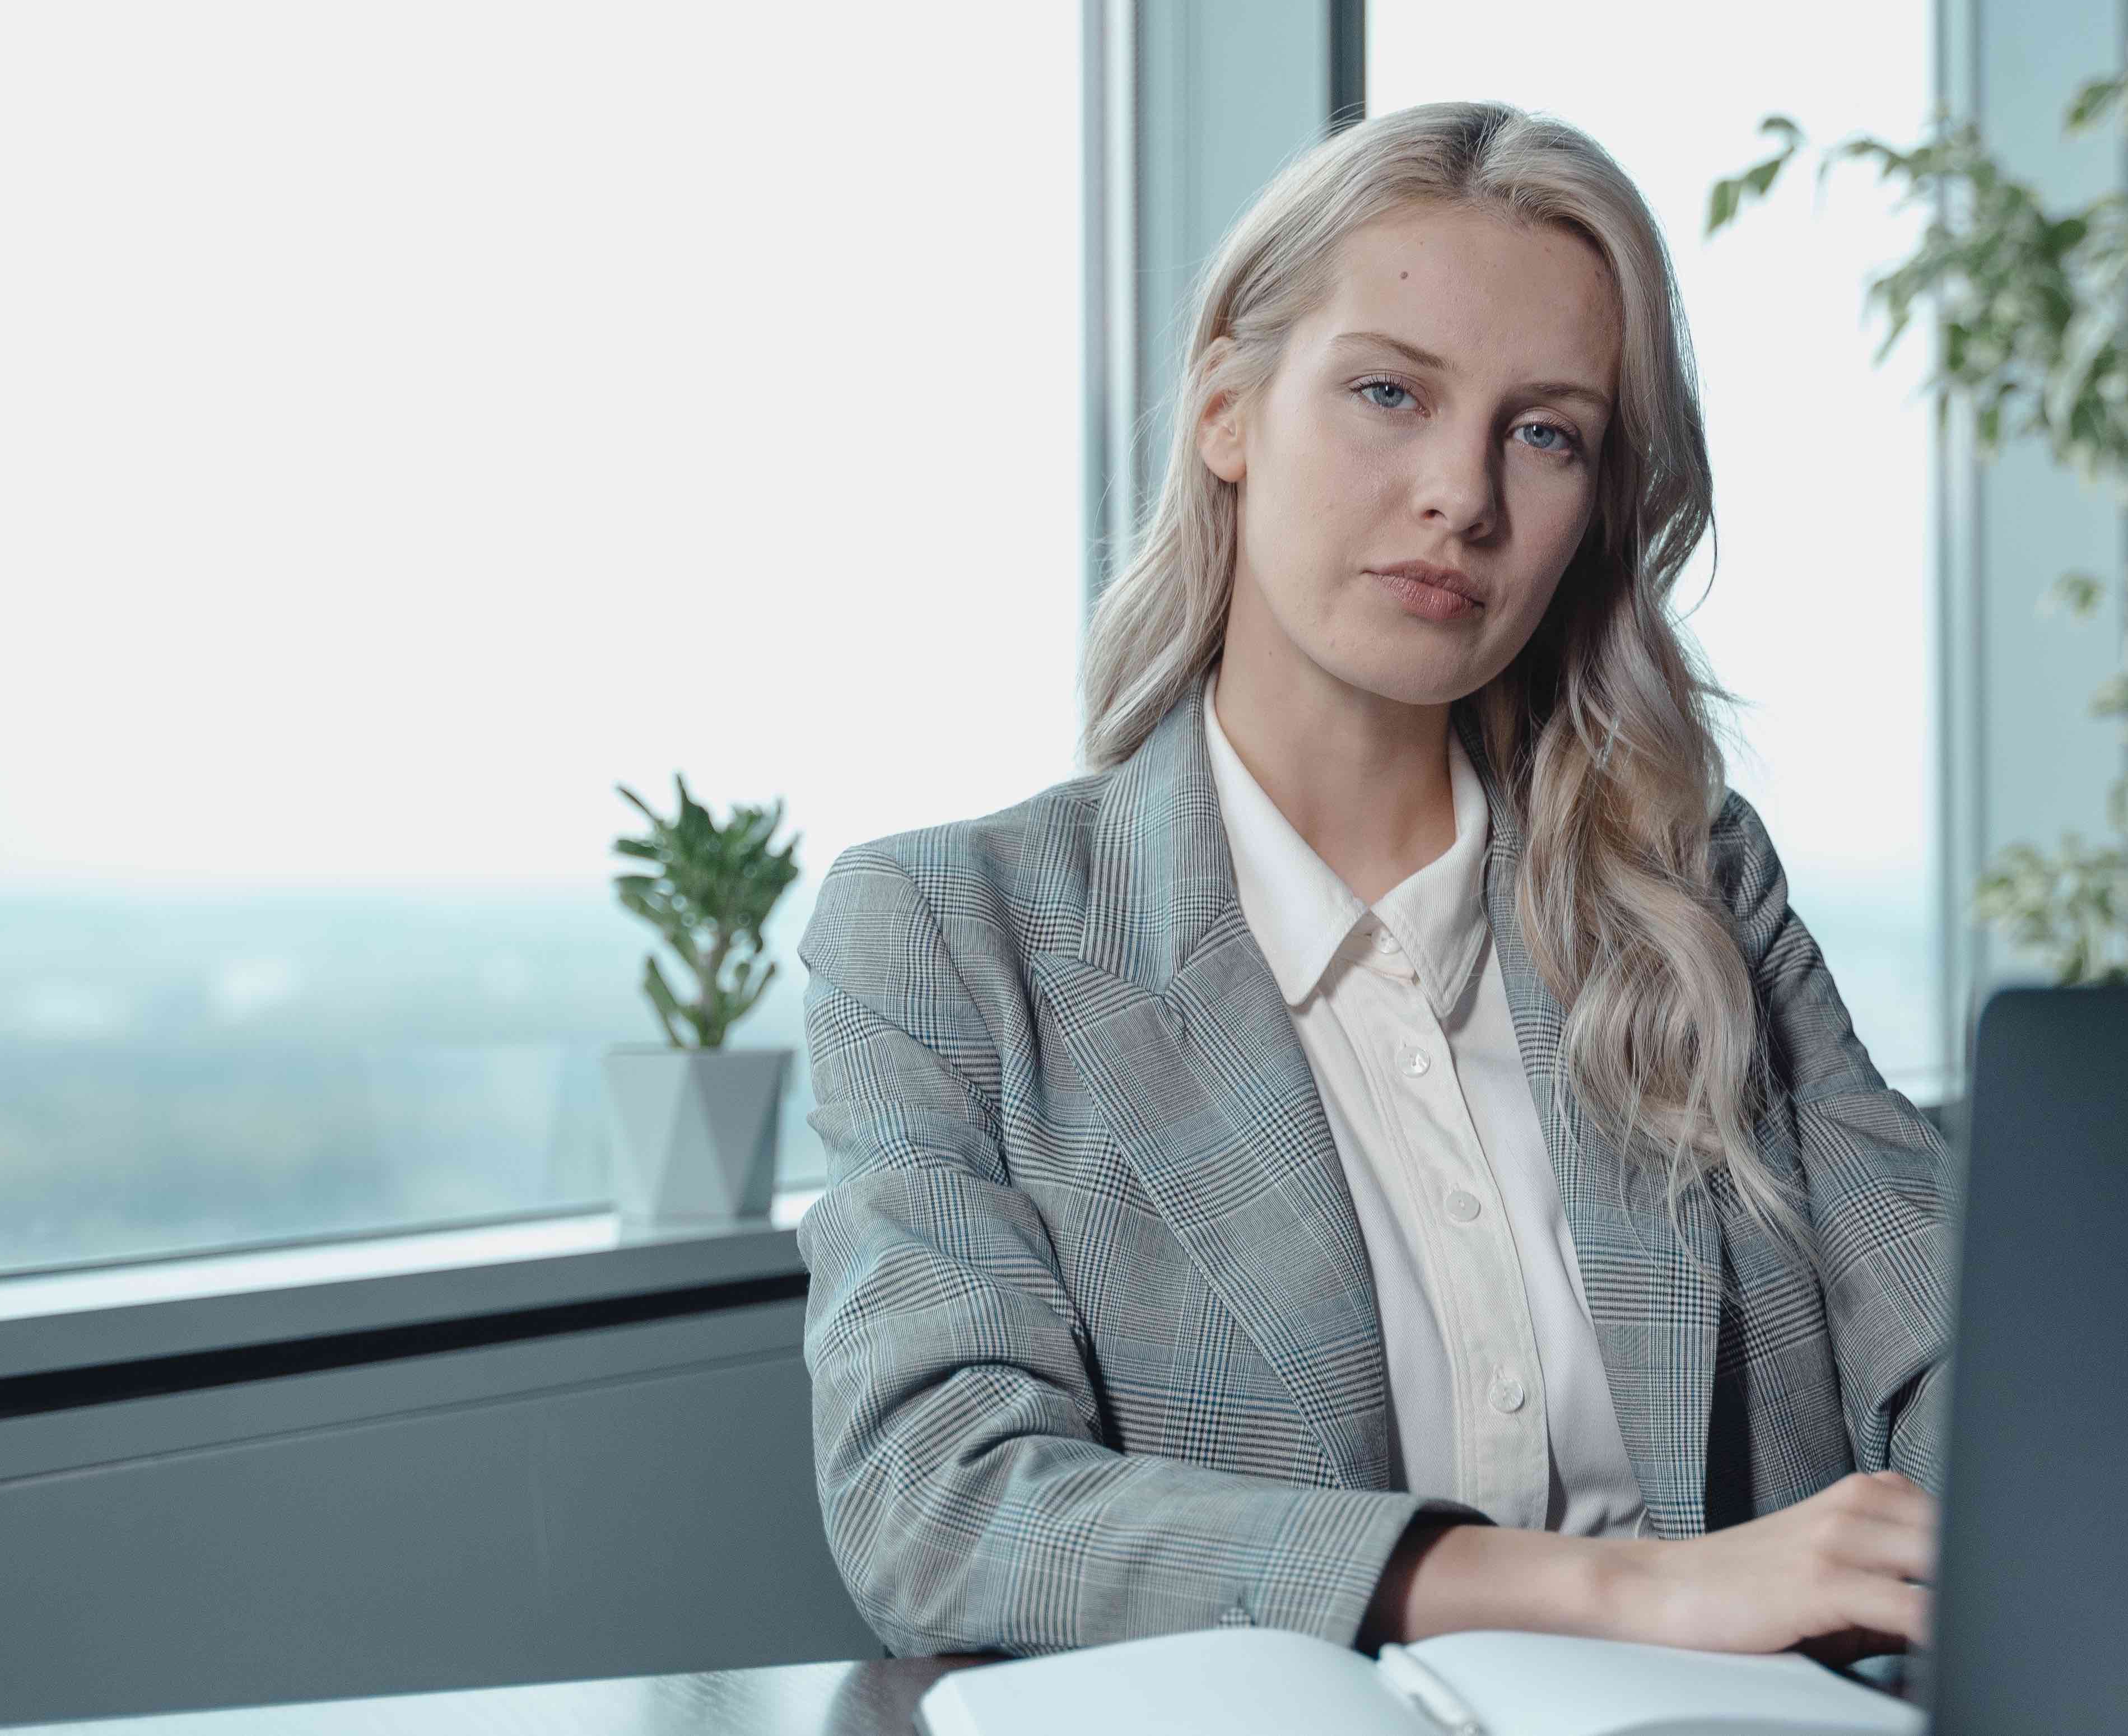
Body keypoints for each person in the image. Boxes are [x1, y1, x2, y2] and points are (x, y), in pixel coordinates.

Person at [794, 99, 1958, 1674]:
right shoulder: (952, 936)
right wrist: (1624, 1588)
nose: (1460, 497)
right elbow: (944, 1506)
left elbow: (1962, 1356)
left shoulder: (1692, 887)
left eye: (1544, 432)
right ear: (1228, 408)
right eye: (1389, 393)